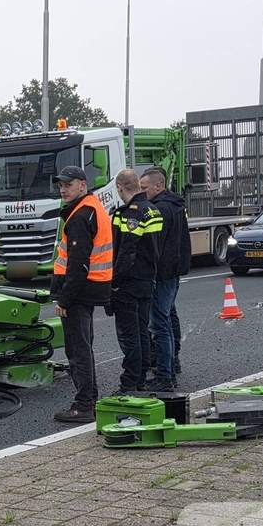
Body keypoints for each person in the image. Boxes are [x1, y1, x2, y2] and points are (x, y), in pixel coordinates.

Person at [49, 165, 114, 423]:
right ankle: (90, 399)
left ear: (82, 185)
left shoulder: (80, 217)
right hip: (93, 288)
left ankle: (84, 404)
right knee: (84, 346)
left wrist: (64, 298)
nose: (63, 189)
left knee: (77, 349)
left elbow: (78, 264)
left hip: (79, 292)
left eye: (68, 184)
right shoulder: (93, 208)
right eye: (61, 185)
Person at [110, 169, 162, 395]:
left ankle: (129, 382)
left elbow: (126, 251)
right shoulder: (153, 210)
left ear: (120, 188)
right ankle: (140, 378)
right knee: (141, 333)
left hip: (129, 283)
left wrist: (114, 280)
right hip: (147, 279)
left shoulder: (128, 214)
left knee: (129, 336)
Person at [139, 168, 191, 392]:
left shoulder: (159, 209)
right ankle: (171, 363)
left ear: (157, 186)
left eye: (144, 188)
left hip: (162, 273)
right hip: (173, 270)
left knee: (159, 324)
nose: (142, 193)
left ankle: (165, 375)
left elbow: (156, 245)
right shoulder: (175, 205)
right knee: (168, 316)